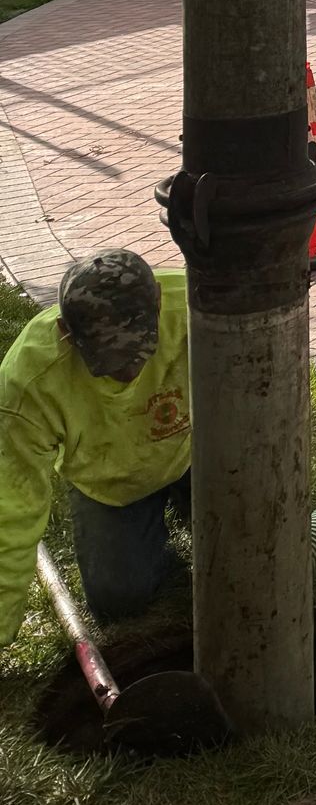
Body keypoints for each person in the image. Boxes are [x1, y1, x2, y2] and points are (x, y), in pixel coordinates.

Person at [0, 249, 191, 642]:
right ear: (65, 332)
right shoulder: (27, 383)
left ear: (157, 298)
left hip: (201, 453)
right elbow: (11, 509)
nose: (127, 371)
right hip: (111, 484)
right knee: (119, 598)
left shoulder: (199, 308)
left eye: (138, 350)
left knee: (251, 557)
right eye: (109, 360)